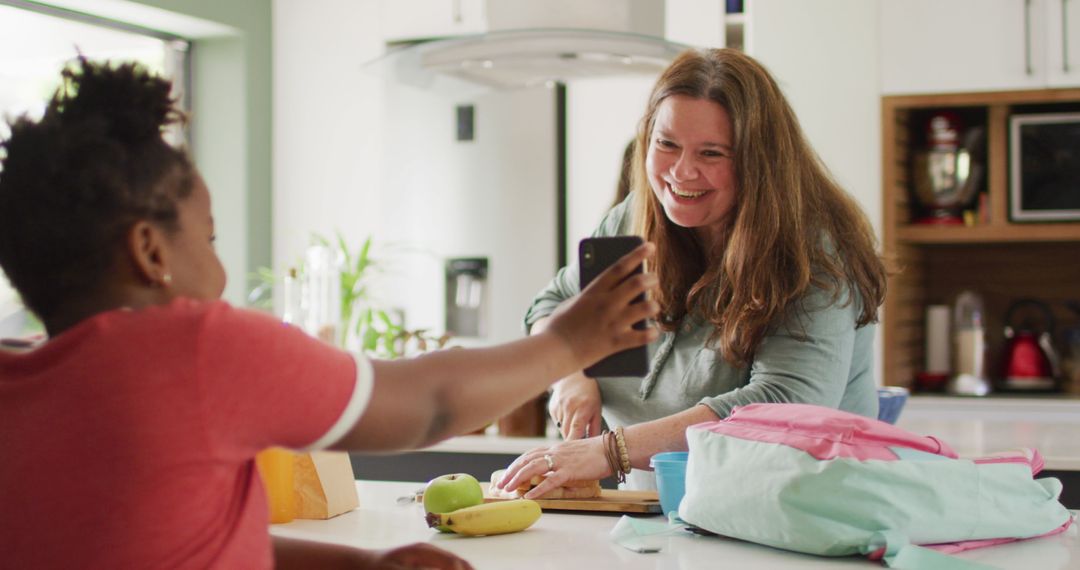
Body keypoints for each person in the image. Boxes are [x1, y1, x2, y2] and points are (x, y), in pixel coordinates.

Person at [0, 58, 659, 569]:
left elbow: (178, 545)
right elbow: (428, 402)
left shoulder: (18, 382)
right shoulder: (193, 350)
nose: (221, 268)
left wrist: (360, 564)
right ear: (149, 251)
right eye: (208, 238)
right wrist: (571, 343)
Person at [495, 47, 887, 498]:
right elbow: (550, 306)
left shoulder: (813, 254)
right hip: (663, 514)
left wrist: (609, 451)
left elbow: (785, 404)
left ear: (758, 163)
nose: (682, 172)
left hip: (800, 518)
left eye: (712, 153)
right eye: (667, 144)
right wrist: (571, 377)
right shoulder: (634, 221)